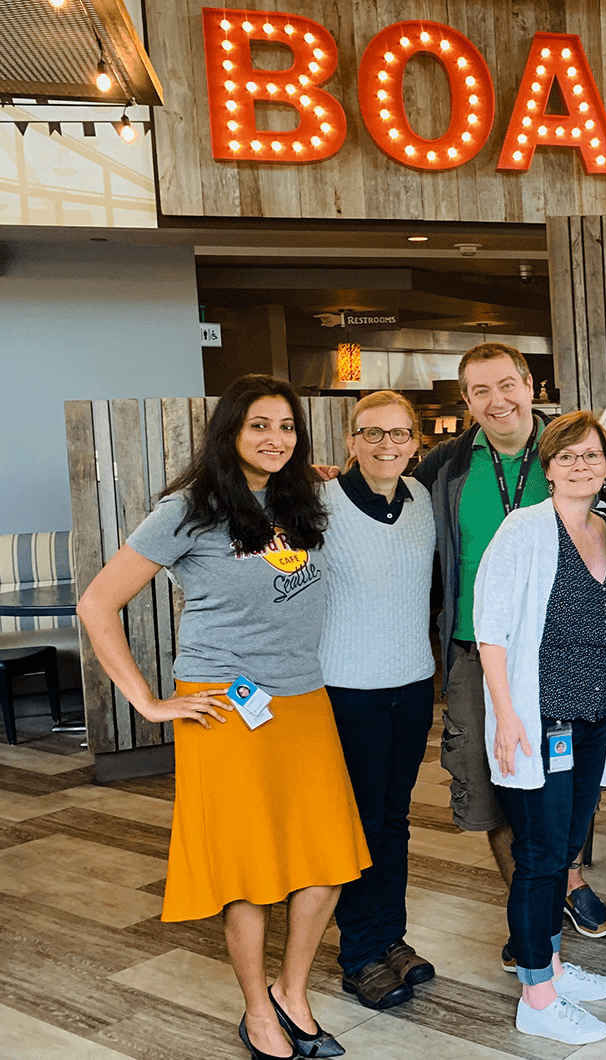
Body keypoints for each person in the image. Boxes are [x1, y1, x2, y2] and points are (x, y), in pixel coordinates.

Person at [76, 375, 368, 1060]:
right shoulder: (188, 509)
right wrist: (148, 701)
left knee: (326, 859)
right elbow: (96, 603)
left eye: (287, 427)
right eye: (259, 426)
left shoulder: (301, 497)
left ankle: (291, 994)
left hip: (301, 700)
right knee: (247, 869)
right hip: (226, 707)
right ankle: (255, 1011)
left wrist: (327, 469)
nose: (275, 439)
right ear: (229, 431)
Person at [412, 343, 606, 974]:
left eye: (507, 385)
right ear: (467, 400)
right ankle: (529, 906)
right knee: (496, 778)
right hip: (481, 651)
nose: (497, 401)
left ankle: (567, 884)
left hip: (566, 653)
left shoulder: (568, 444)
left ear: (530, 384)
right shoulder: (445, 468)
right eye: (480, 392)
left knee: (571, 776)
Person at [476, 411, 606, 1045]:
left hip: (592, 718)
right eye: (567, 457)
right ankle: (537, 994)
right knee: (539, 857)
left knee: (566, 848)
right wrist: (508, 716)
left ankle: (556, 967)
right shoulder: (524, 530)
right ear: (547, 467)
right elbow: (491, 629)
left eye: (591, 456)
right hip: (540, 719)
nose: (581, 467)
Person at [319, 391, 437, 1010]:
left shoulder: (421, 501)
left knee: (395, 819)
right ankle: (360, 952)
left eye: (399, 434)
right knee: (359, 823)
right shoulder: (318, 504)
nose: (386, 445)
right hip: (347, 689)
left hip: (413, 684)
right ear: (350, 440)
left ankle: (392, 939)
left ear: (415, 441)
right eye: (372, 433)